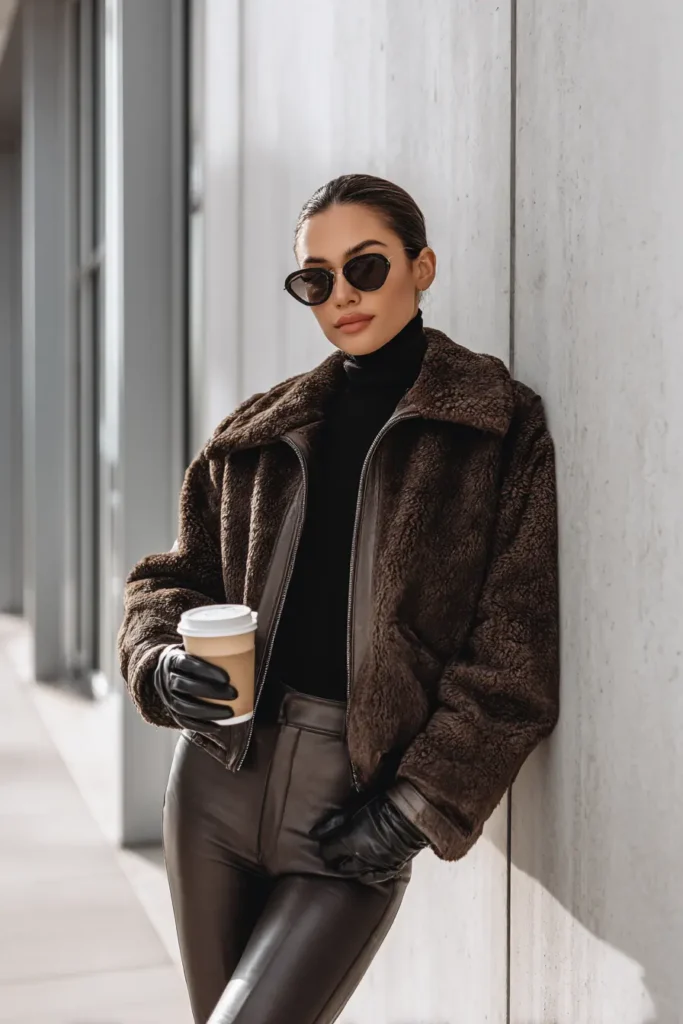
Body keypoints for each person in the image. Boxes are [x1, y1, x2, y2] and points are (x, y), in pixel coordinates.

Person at [117, 173, 560, 1024]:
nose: (342, 296)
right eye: (315, 280)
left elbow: (513, 655)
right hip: (214, 784)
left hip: (352, 810)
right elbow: (170, 580)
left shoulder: (493, 427)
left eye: (365, 267)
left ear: (421, 266)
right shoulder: (256, 432)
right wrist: (159, 659)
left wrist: (410, 812)